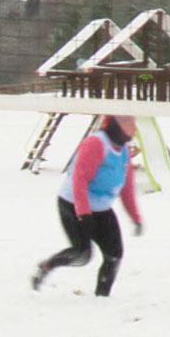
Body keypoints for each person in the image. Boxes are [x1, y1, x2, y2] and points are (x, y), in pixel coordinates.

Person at [31, 115, 143, 296]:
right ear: (116, 124)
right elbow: (79, 181)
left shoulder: (123, 151)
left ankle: (101, 297)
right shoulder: (96, 144)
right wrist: (84, 213)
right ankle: (46, 266)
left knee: (114, 255)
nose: (134, 128)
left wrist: (135, 218)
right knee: (82, 254)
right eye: (129, 123)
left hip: (101, 209)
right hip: (73, 204)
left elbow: (126, 188)